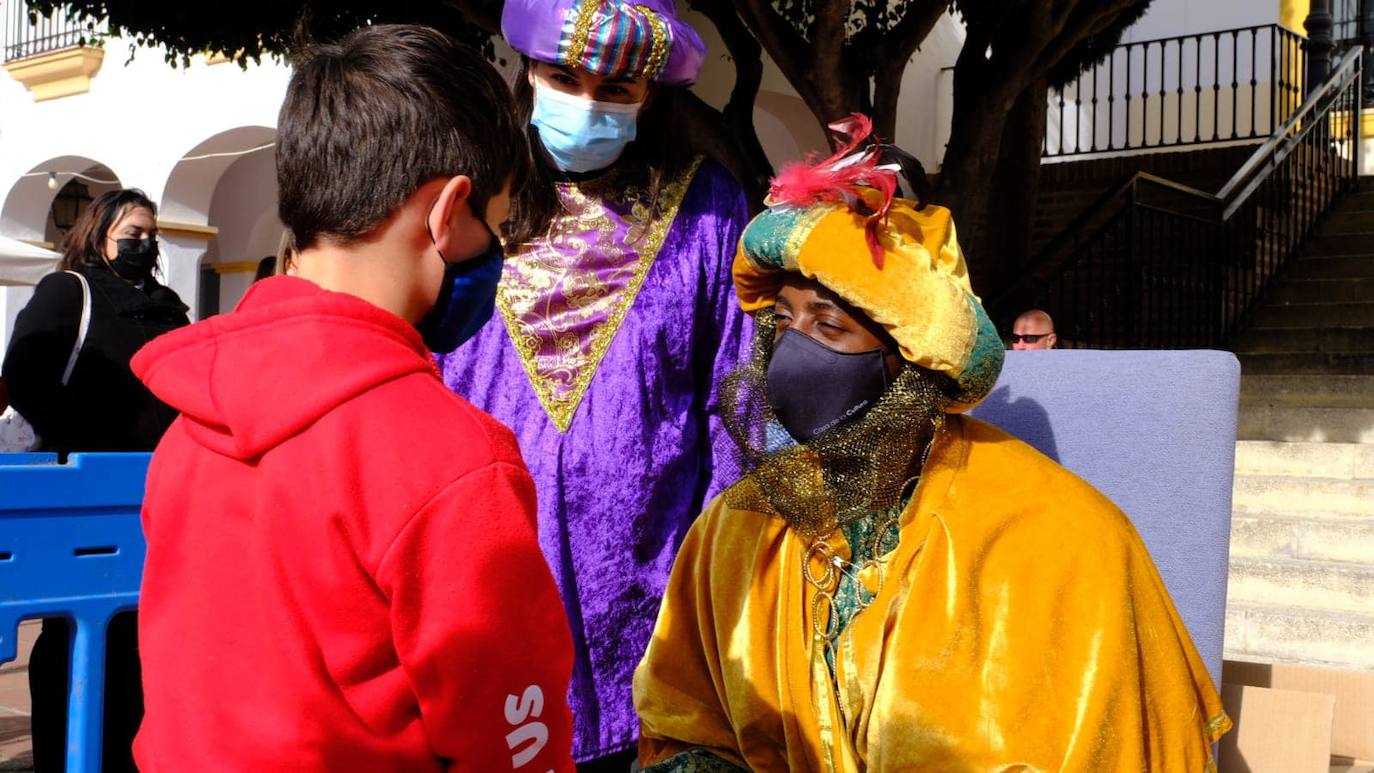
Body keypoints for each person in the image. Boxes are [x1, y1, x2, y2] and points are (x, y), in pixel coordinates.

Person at [632, 120, 1231, 771]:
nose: (792, 347)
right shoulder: (733, 530)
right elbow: (682, 726)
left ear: (909, 363)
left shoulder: (1068, 543)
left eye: (829, 324)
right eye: (784, 319)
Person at [128, 25, 574, 771]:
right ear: (448, 210)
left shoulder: (189, 424)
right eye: (493, 228)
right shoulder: (454, 461)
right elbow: (513, 740)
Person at [437, 2, 751, 768]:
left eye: (617, 89)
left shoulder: (709, 207)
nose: (587, 103)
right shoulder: (464, 200)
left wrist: (711, 596)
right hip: (482, 589)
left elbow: (736, 406)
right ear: (526, 75)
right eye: (563, 77)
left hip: (650, 611)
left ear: (652, 97)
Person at [2, 187, 189, 773]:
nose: (144, 244)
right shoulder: (68, 290)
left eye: (151, 234)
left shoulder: (169, 304)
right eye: (132, 233)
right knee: (72, 631)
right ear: (100, 232)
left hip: (156, 484)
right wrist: (81, 435)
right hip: (84, 484)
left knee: (141, 631)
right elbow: (25, 376)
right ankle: (67, 754)